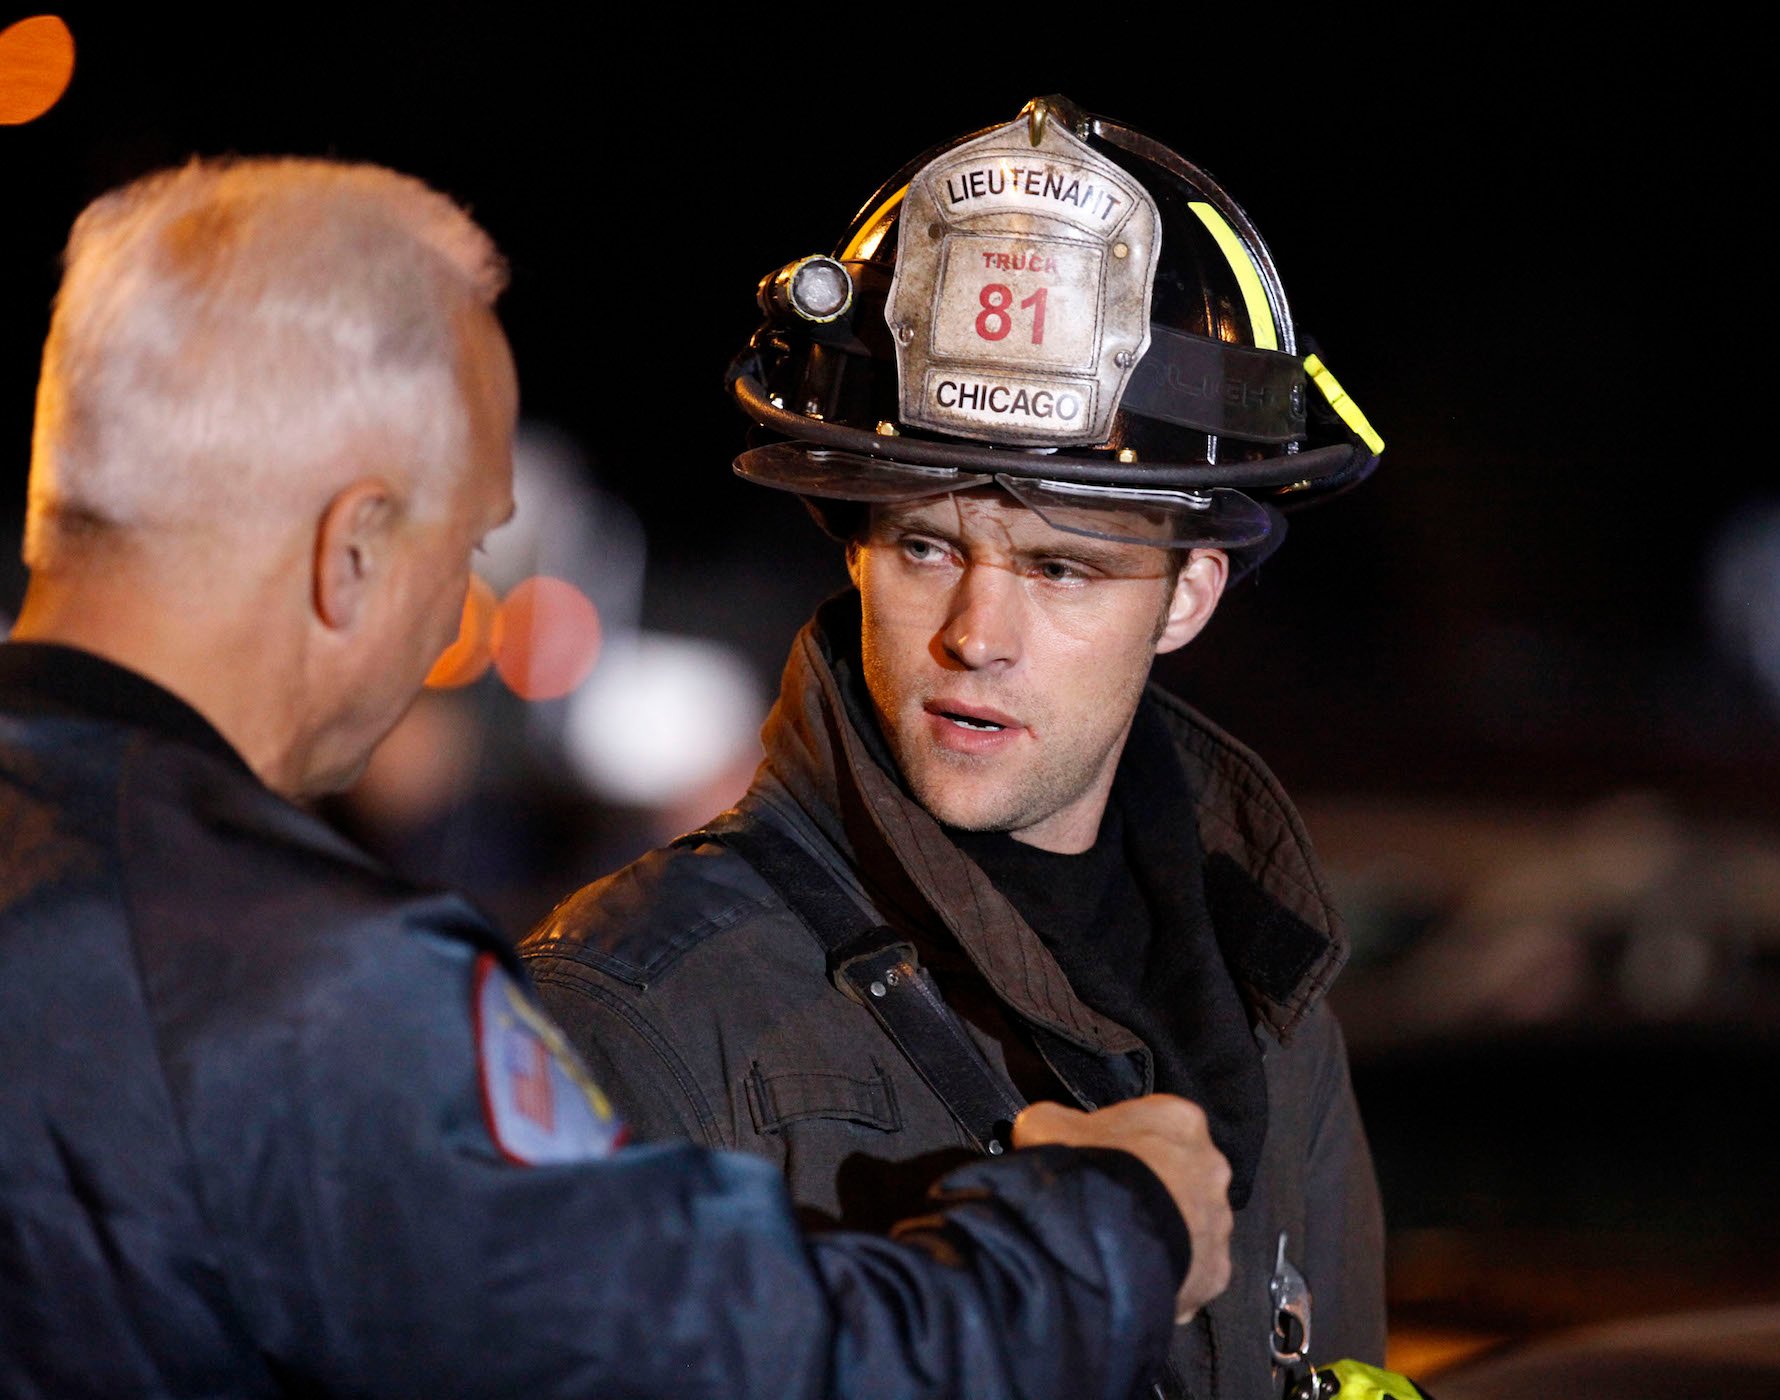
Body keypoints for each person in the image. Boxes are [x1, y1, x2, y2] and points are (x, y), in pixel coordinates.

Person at [0, 156, 1237, 1399]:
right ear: (355, 545)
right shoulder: (301, 992)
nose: (451, 631)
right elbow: (736, 1366)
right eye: (473, 547)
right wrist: (1109, 1229)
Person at [524, 96, 1390, 1400]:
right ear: (860, 546)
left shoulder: (1271, 1007)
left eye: (1063, 569)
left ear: (1191, 596)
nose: (977, 634)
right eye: (929, 546)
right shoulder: (631, 1010)